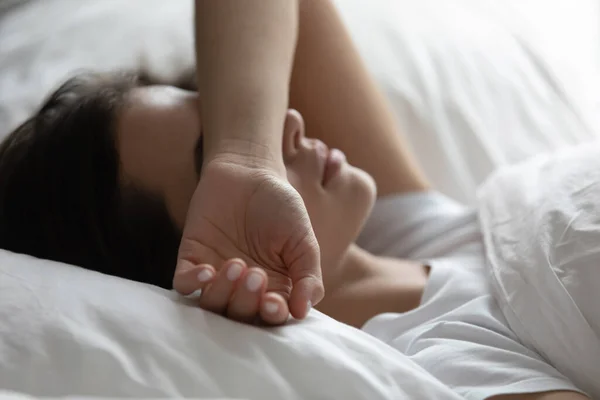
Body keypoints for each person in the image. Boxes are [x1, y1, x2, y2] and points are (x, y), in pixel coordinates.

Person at [0, 1, 590, 399]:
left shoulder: (412, 230)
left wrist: (243, 153)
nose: (285, 119)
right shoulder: (447, 352)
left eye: (215, 104)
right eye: (210, 161)